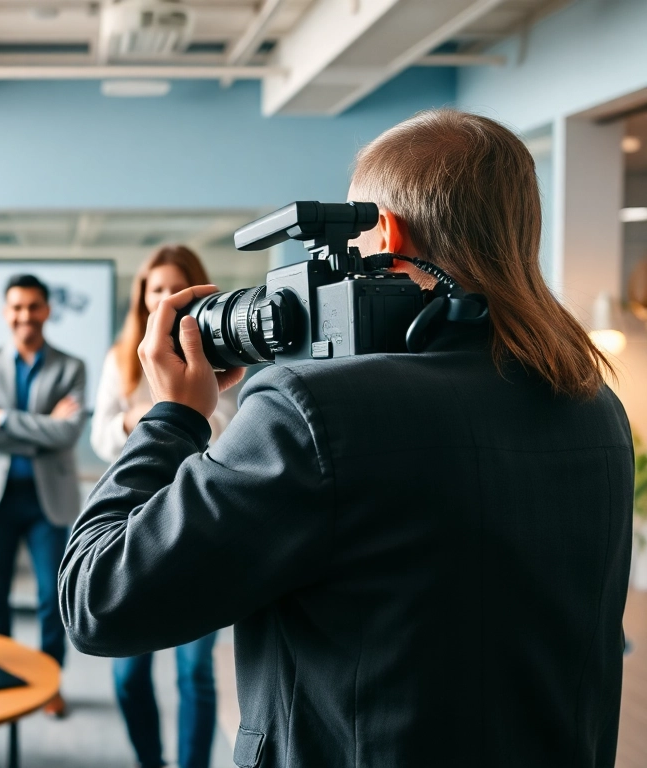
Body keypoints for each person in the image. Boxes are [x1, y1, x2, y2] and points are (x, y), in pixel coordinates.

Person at [60, 108, 633, 767]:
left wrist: (172, 419)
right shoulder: (593, 406)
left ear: (384, 231)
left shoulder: (313, 411)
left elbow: (98, 598)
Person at [92, 245, 236, 768]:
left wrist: (176, 409)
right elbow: (102, 437)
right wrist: (145, 421)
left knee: (195, 672)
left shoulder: (221, 355)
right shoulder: (120, 356)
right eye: (154, 289)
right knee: (128, 671)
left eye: (174, 287)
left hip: (198, 522)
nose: (162, 298)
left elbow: (228, 435)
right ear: (143, 297)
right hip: (134, 520)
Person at [0, 273, 87, 719]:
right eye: (17, 307)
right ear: (5, 311)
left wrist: (5, 420)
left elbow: (68, 433)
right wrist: (40, 429)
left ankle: (49, 683)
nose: (25, 316)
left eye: (33, 306)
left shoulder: (71, 366)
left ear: (47, 310)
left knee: (53, 599)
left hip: (45, 500)